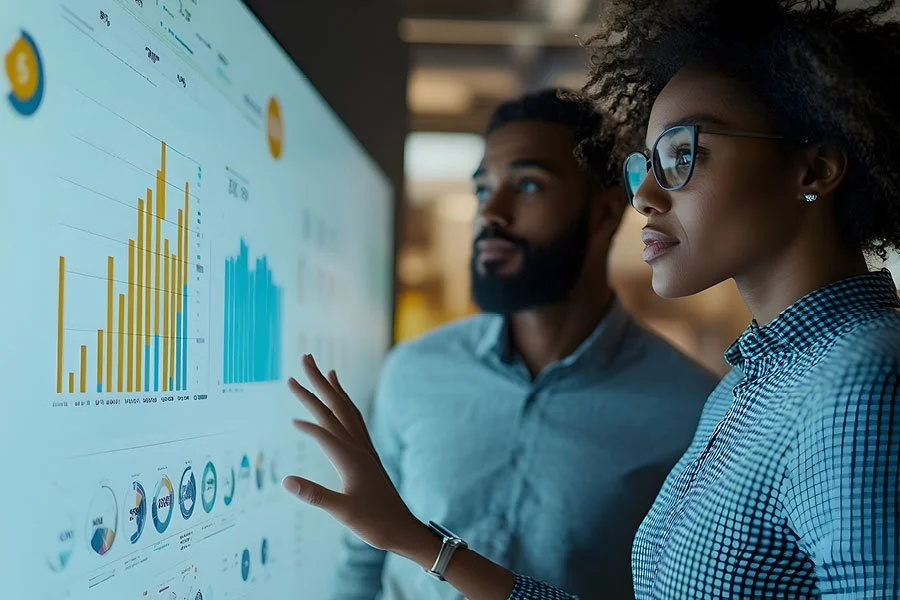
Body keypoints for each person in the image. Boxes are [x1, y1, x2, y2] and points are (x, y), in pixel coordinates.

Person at [282, 0, 900, 597]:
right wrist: (416, 542)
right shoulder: (739, 393)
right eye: (649, 165)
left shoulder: (865, 379)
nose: (647, 198)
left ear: (814, 170)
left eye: (685, 155)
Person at [327, 89, 718, 600]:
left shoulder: (695, 413)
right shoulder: (413, 371)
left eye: (529, 185)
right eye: (483, 190)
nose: (493, 213)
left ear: (604, 213)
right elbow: (362, 563)